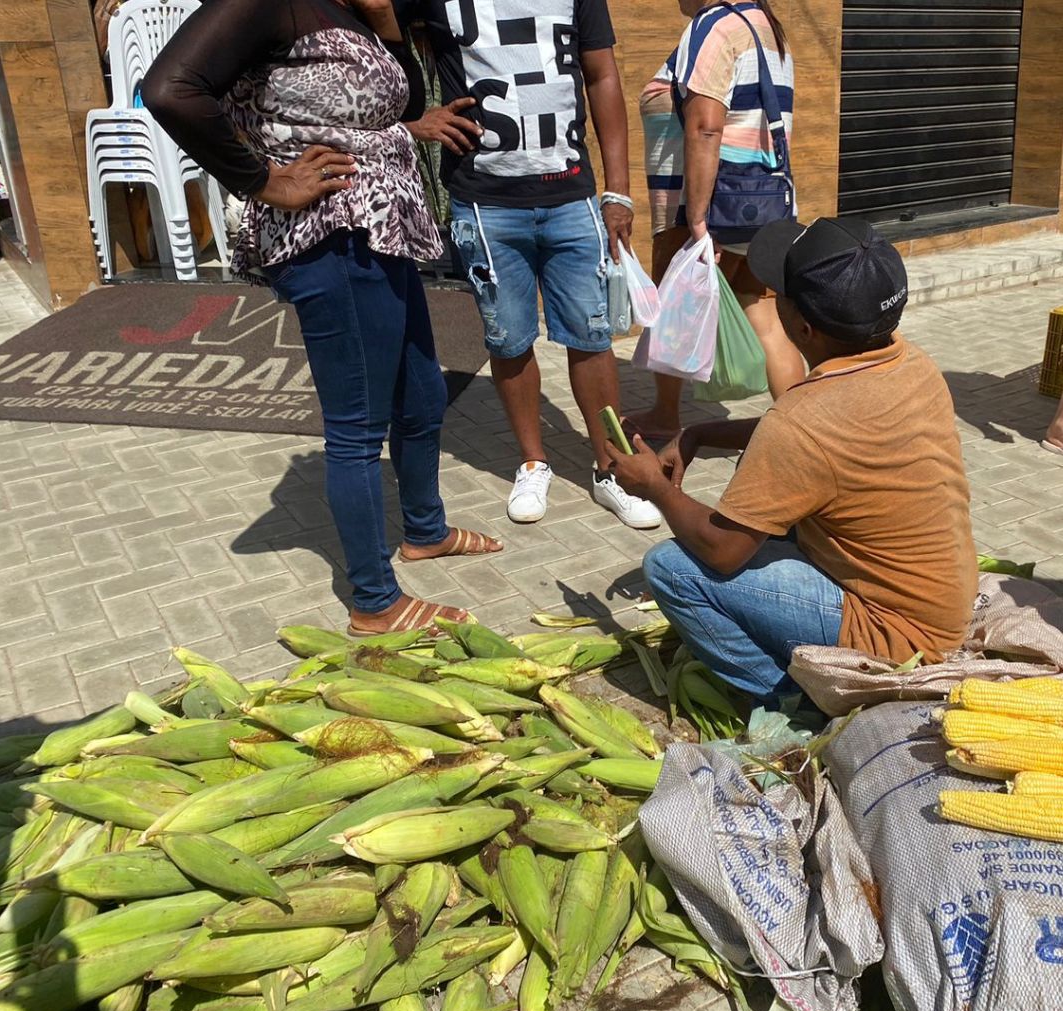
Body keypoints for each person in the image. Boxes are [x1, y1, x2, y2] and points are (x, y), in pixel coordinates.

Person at [143, 0, 502, 637]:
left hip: (382, 230)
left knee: (420, 395)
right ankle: (374, 601)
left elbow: (389, 104)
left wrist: (387, 22)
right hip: (332, 237)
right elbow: (170, 89)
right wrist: (264, 181)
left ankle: (425, 531)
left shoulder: (349, 11)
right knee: (358, 427)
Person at [607, 217, 978, 708]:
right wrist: (700, 432)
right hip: (942, 605)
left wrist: (656, 488)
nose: (766, 294)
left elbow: (722, 551)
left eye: (776, 290)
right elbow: (821, 443)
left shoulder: (802, 422)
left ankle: (787, 703)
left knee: (672, 568)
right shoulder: (911, 363)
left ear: (802, 326)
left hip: (897, 635)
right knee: (766, 513)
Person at [396, 0, 662, 530]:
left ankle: (610, 468)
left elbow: (603, 75)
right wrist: (409, 122)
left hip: (572, 197)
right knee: (509, 339)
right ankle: (533, 461)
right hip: (484, 202)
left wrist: (619, 192)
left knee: (592, 336)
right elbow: (380, 34)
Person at [626, 0, 804, 444]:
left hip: (707, 208)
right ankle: (806, 434)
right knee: (765, 320)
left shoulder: (715, 25)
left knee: (674, 316)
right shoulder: (768, 29)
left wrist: (699, 220)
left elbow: (706, 126)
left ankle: (666, 417)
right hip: (760, 208)